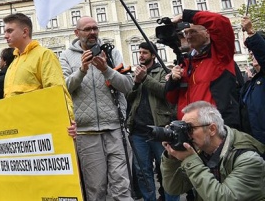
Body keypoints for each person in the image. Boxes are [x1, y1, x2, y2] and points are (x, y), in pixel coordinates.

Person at [59, 16, 134, 201]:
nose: (92, 32)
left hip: (115, 127)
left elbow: (128, 86)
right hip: (86, 131)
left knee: (122, 186)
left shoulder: (111, 51)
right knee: (95, 189)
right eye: (87, 29)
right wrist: (82, 70)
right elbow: (63, 89)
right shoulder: (66, 56)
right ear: (77, 33)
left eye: (95, 28)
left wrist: (106, 69)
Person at [161, 101, 265, 200]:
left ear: (212, 129)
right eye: (182, 129)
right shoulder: (201, 151)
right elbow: (174, 188)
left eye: (189, 129)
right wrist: (171, 158)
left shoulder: (248, 159)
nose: (186, 135)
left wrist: (190, 160)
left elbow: (223, 198)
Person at [166, 9, 241, 129]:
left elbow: (221, 22)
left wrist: (186, 16)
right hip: (189, 128)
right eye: (186, 33)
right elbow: (171, 99)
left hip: (214, 128)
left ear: (207, 33)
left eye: (193, 31)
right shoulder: (186, 62)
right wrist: (173, 81)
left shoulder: (220, 55)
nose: (188, 36)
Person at [126, 41, 178, 201]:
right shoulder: (136, 74)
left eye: (144, 53)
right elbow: (129, 99)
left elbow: (165, 92)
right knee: (143, 172)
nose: (140, 55)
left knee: (167, 170)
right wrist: (135, 83)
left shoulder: (164, 71)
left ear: (153, 55)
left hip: (160, 129)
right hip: (139, 132)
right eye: (139, 52)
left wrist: (145, 78)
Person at [240, 16, 265, 145]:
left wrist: (251, 32)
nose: (251, 53)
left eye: (254, 50)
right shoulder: (252, 82)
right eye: (250, 50)